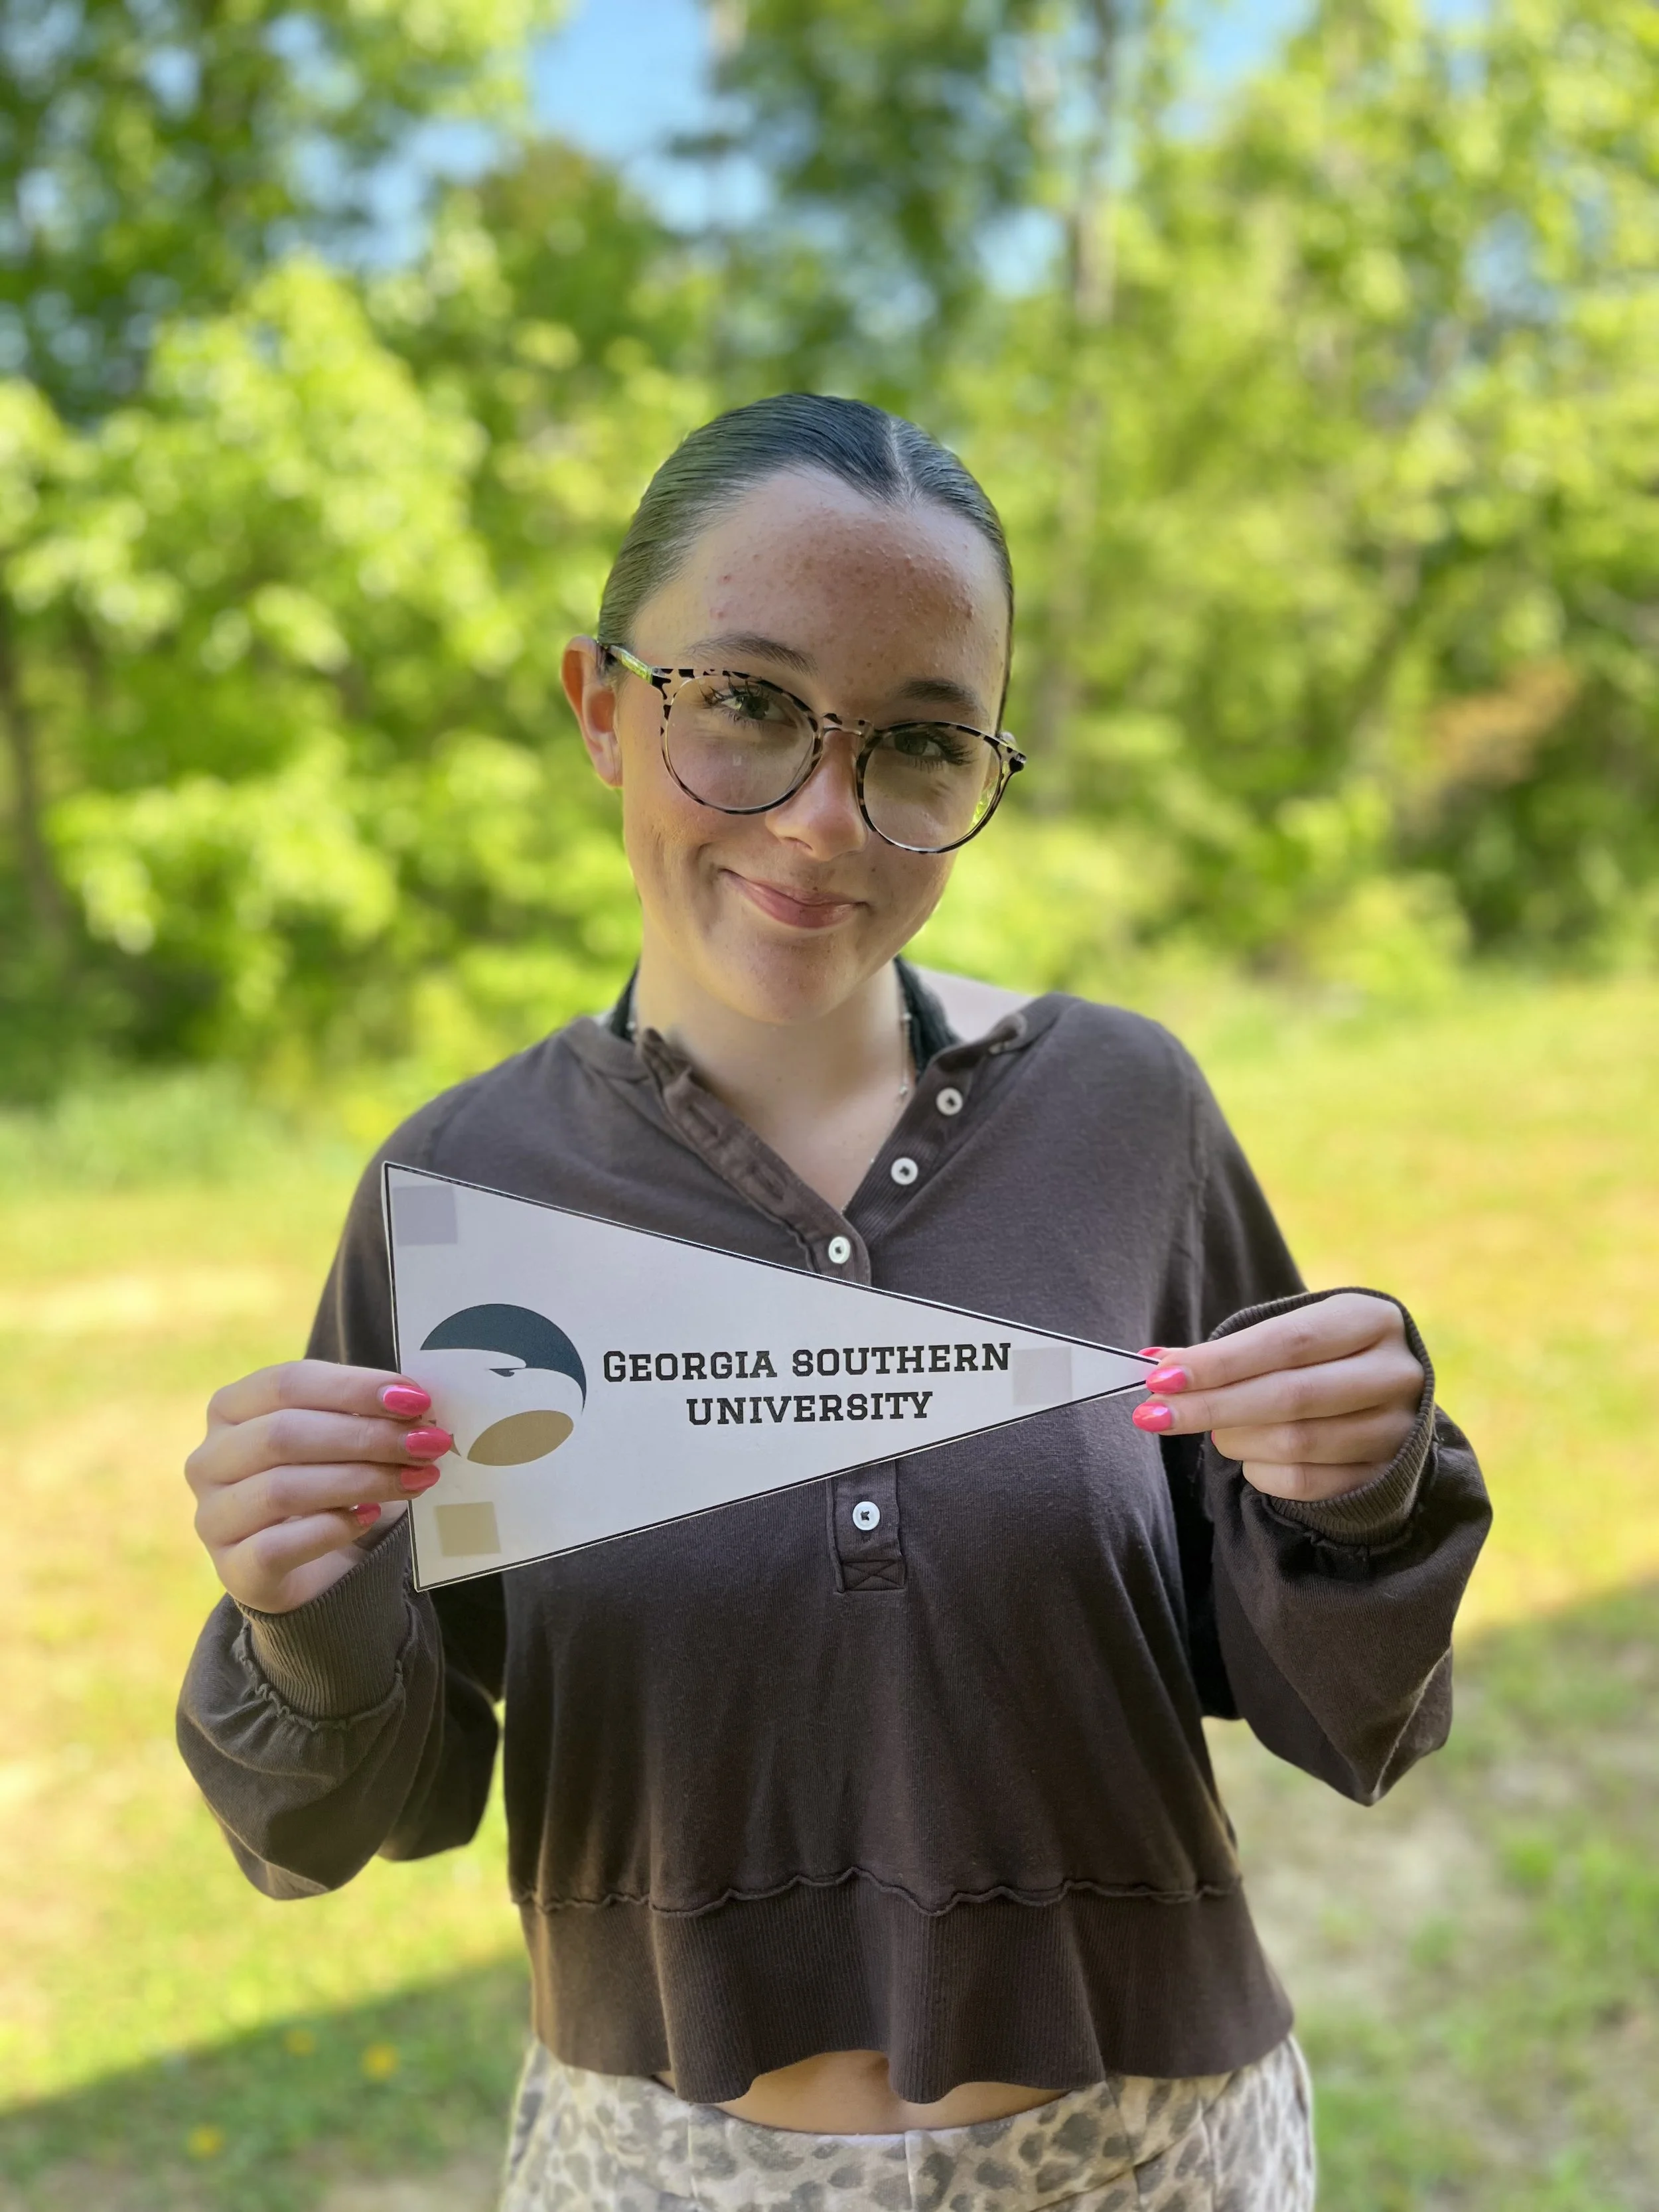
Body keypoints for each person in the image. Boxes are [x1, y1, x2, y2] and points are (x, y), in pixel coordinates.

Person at [178, 394, 1490, 2212]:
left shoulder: (1127, 1110)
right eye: (744, 701)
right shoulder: (455, 1192)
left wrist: (1355, 1495)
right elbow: (356, 1808)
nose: (823, 821)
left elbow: (1337, 1707)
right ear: (597, 702)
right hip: (655, 2165)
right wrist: (296, 1606)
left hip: (1155, 2150)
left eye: (923, 744)